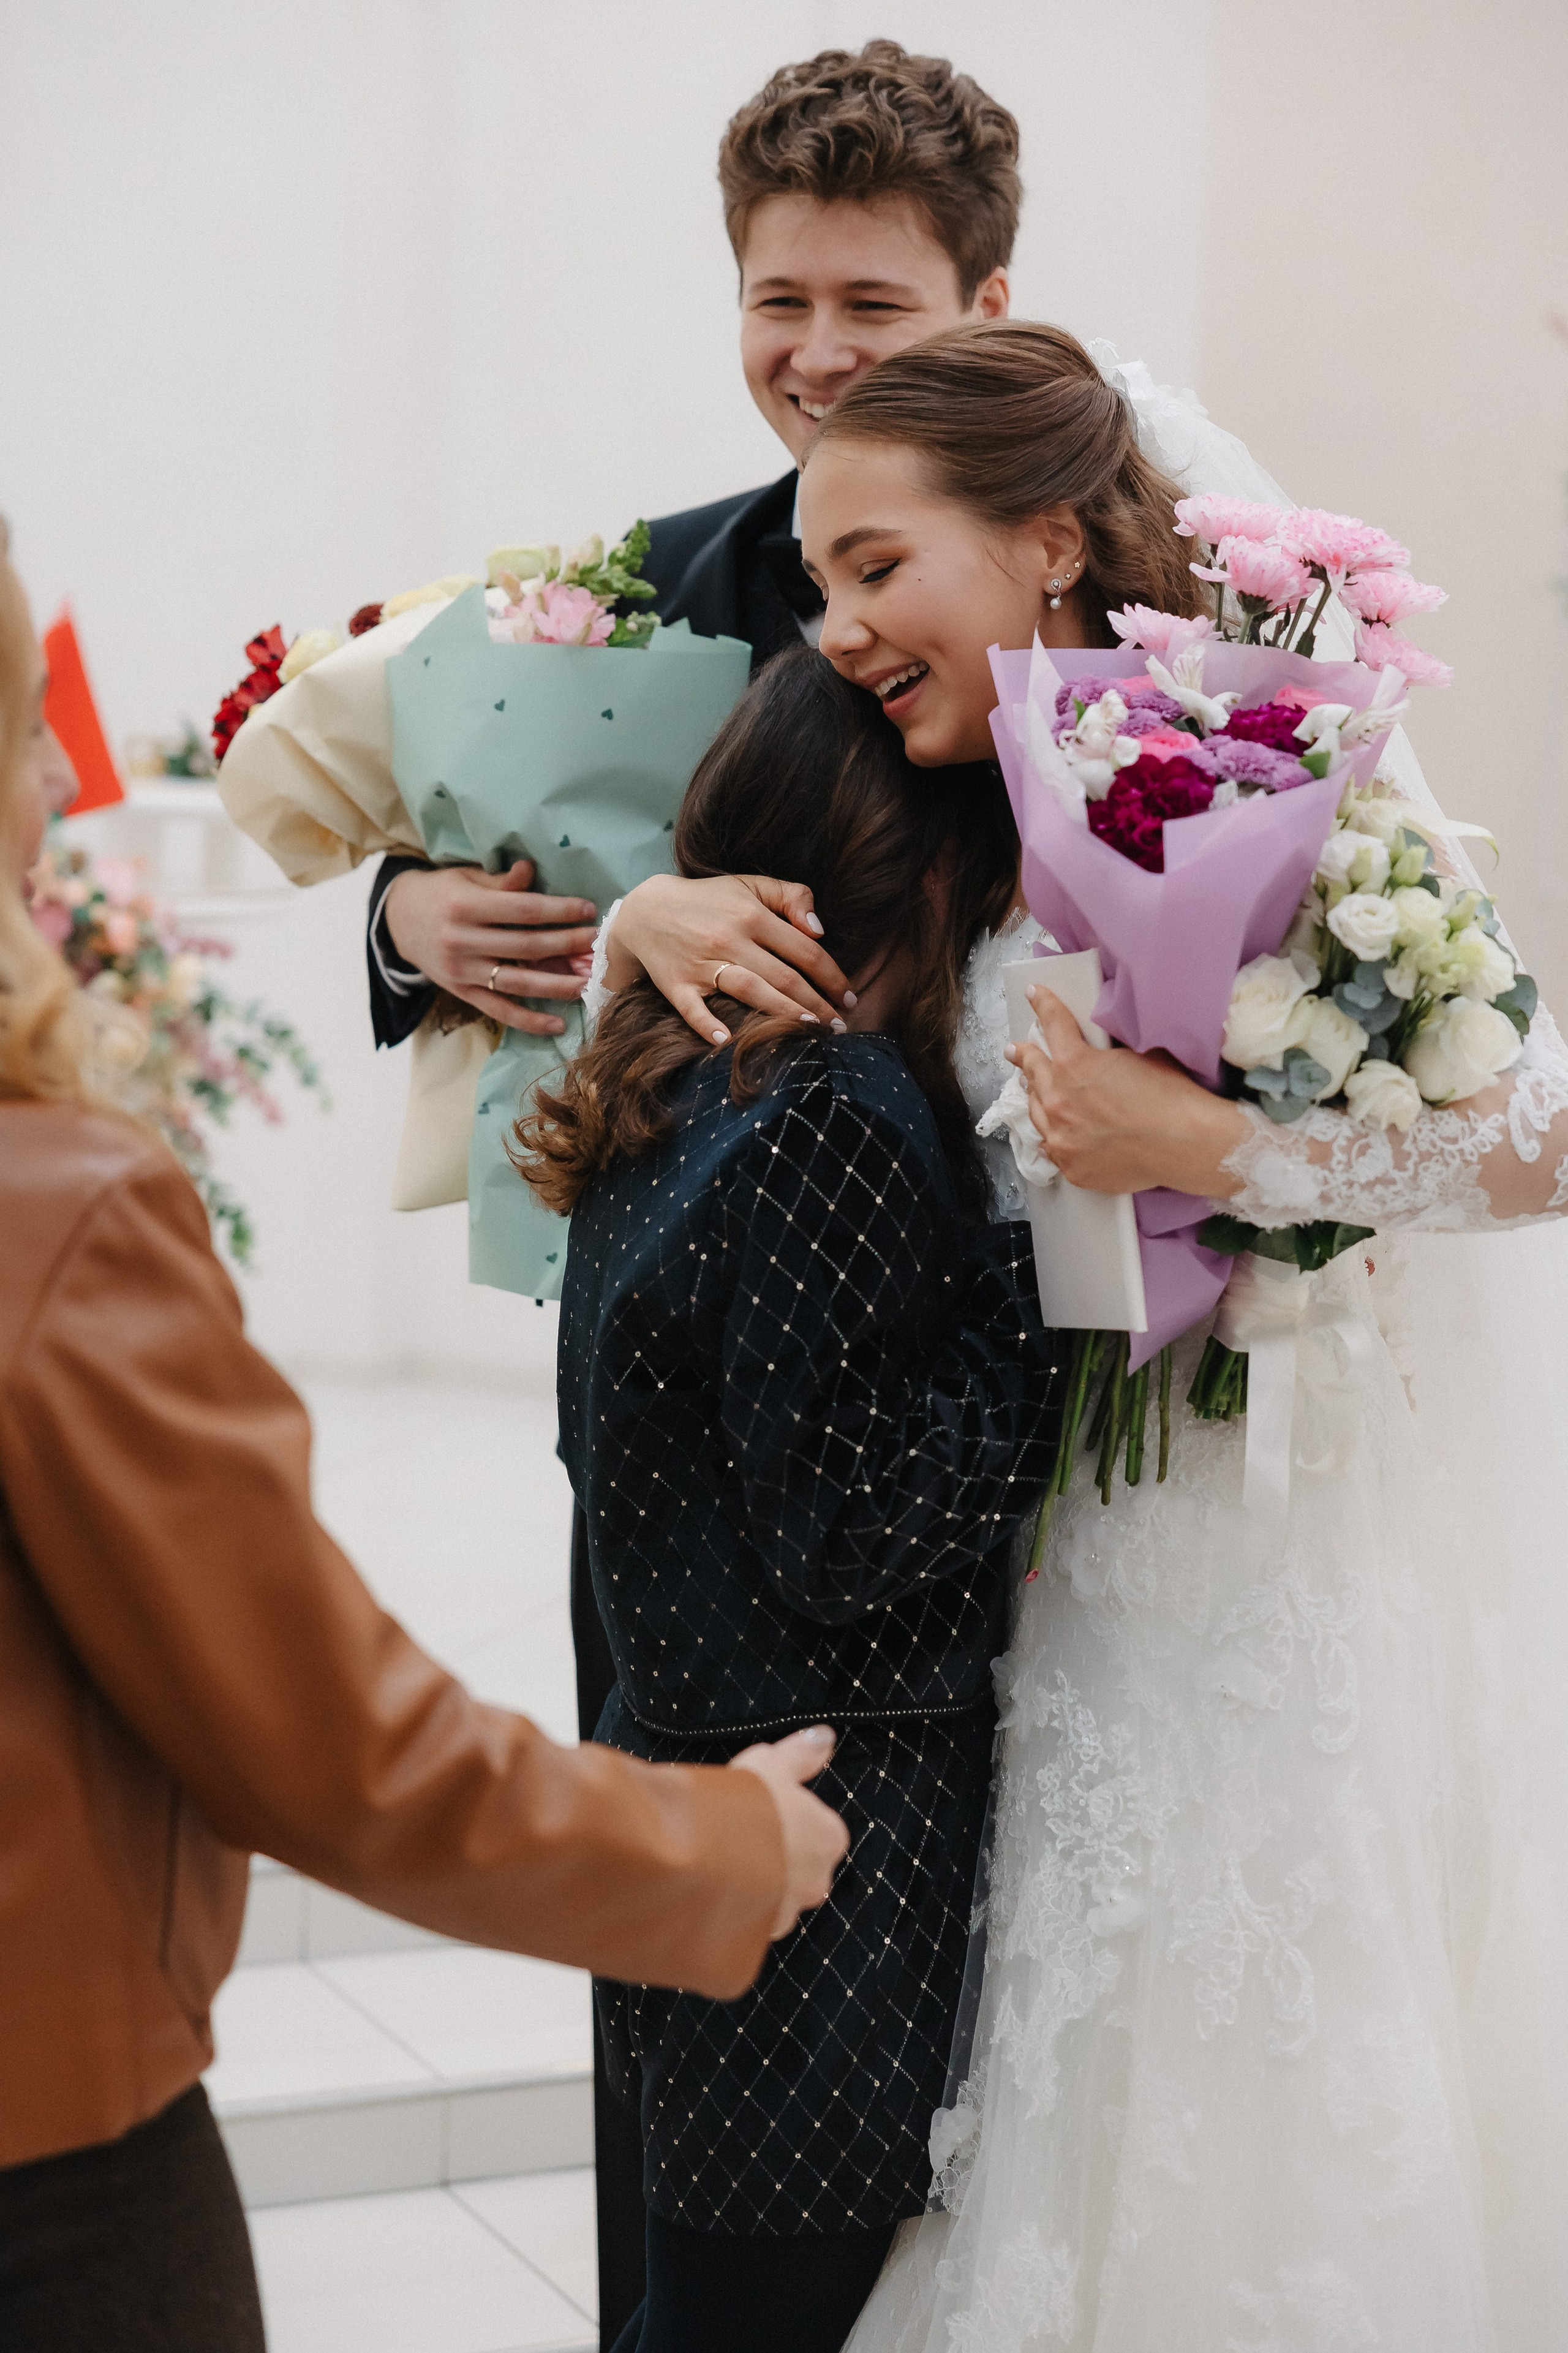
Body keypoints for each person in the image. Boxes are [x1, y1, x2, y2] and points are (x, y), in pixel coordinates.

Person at [602, 321, 1568, 2351]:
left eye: (878, 568)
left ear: (1047, 544)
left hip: (1250, 1571)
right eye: (822, 580)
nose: (839, 625)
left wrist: (1216, 1142)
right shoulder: (966, 793)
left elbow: (1540, 1136)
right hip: (1042, 1596)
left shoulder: (1269, 757)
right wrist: (635, 916)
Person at [305, 40, 1023, 2328]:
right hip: (728, 1429)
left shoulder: (1084, 588)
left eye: (874, 307)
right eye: (775, 300)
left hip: (1009, 1384)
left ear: (987, 295)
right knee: (699, 1978)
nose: (813, 356)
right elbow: (509, 856)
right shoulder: (641, 586)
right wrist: (439, 914)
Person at [0, 521, 848, 2353]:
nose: (64, 772)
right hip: (46, 2148)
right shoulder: (54, 1215)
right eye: (19, 727)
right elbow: (329, 1741)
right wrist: (711, 1854)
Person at [515, 641, 1065, 2353]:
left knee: (713, 2301)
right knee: (748, 2319)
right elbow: (853, 1519)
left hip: (698, 1790)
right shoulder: (829, 1102)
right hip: (833, 1866)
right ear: (937, 870)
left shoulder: (672, 1083)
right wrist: (1054, 1310)